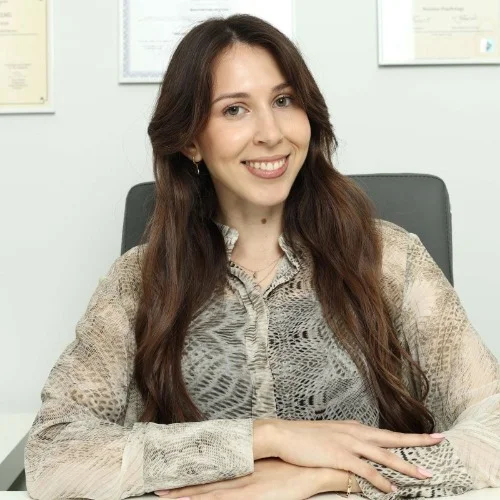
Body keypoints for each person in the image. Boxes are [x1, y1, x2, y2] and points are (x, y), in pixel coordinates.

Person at [25, 14, 499, 500]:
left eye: (283, 100)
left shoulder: (388, 257)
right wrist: (267, 439)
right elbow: (52, 455)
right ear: (190, 140)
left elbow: (494, 427)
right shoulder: (138, 280)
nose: (270, 133)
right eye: (234, 110)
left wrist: (329, 477)